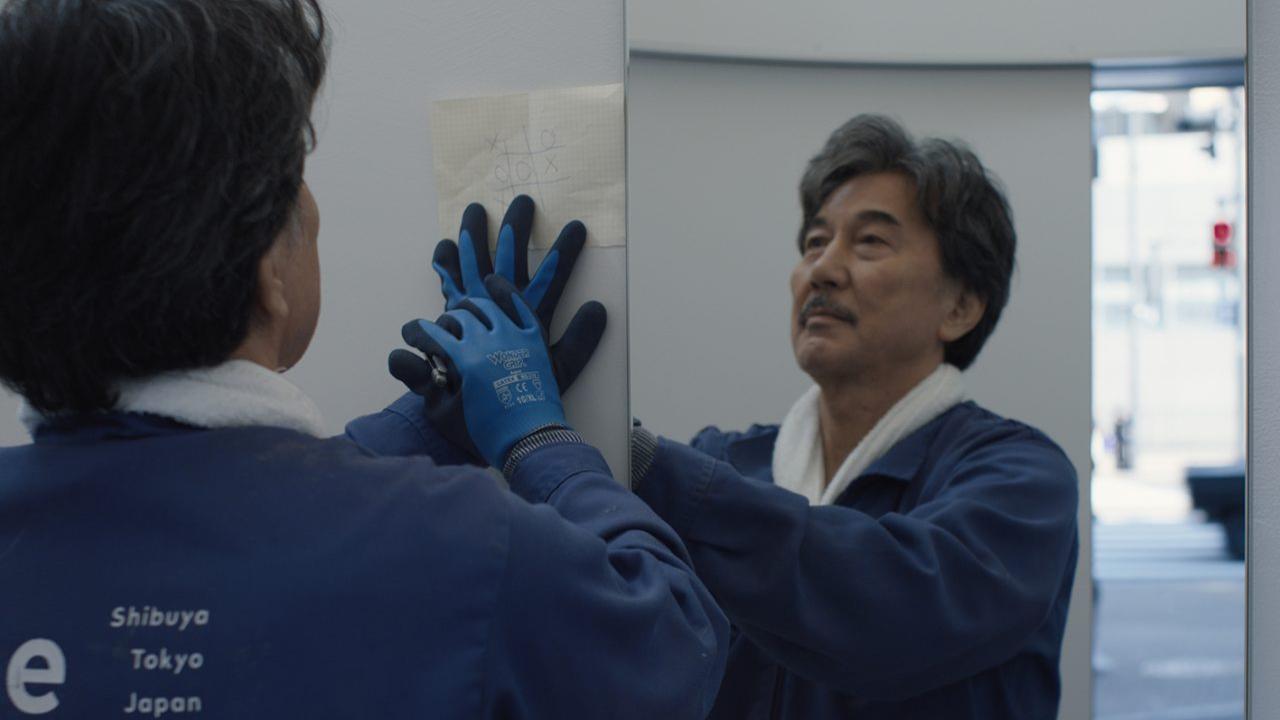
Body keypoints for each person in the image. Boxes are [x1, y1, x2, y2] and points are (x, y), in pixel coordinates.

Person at [0, 1, 727, 718]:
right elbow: (672, 644)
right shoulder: (462, 547)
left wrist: (415, 434)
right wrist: (539, 441)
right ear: (267, 271)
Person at [627, 116, 1080, 718]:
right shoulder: (724, 464)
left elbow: (895, 609)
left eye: (870, 242)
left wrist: (648, 469)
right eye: (815, 243)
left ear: (961, 306)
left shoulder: (1020, 482)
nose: (822, 269)